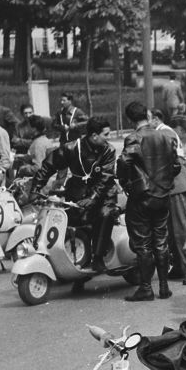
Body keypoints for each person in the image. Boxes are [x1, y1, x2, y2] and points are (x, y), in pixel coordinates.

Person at [30, 116, 119, 273]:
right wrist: (36, 188)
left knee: (105, 214)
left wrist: (92, 198)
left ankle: (98, 258)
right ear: (94, 135)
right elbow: (48, 166)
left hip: (104, 193)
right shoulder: (70, 148)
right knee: (64, 218)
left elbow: (106, 178)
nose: (109, 138)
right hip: (78, 191)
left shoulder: (109, 150)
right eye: (106, 134)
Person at [116, 101, 181, 301]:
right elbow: (176, 165)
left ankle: (146, 288)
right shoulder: (165, 135)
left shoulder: (134, 138)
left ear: (130, 119)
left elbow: (123, 163)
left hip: (141, 197)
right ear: (147, 114)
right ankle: (163, 287)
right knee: (161, 241)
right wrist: (164, 182)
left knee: (143, 244)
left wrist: (127, 182)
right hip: (162, 196)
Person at [152, 110, 186, 284]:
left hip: (176, 184)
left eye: (149, 120)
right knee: (172, 228)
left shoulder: (164, 132)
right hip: (174, 184)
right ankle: (179, 265)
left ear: (156, 119)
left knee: (181, 228)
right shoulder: (166, 132)